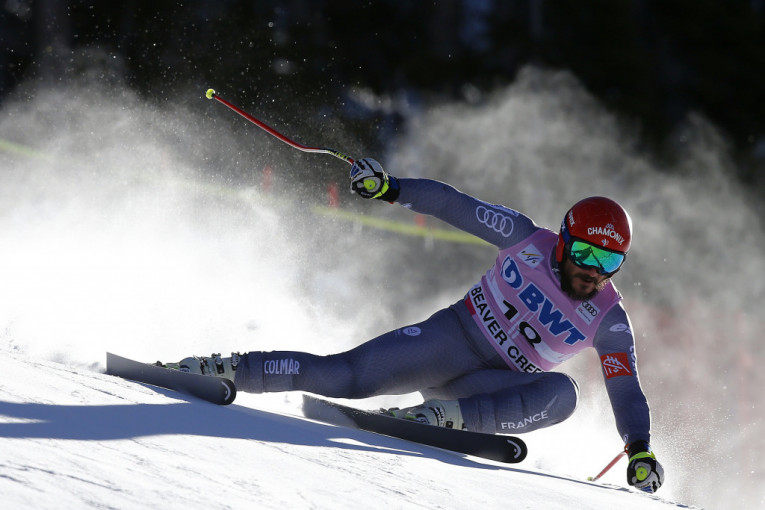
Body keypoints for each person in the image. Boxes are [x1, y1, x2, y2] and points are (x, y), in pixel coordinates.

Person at [177, 158, 664, 493]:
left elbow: (626, 388)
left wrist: (639, 450)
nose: (593, 271)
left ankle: (444, 417)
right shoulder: (524, 237)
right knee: (345, 376)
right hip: (449, 342)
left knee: (564, 395)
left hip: (485, 390)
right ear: (563, 240)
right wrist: (391, 188)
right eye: (585, 253)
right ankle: (224, 368)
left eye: (609, 261)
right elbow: (454, 204)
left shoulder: (610, 319)